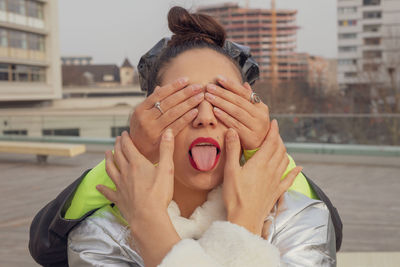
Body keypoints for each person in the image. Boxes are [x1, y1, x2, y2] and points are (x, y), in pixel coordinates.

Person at [29, 6, 340, 267]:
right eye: (183, 103)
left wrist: (154, 230)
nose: (205, 117)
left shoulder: (300, 219)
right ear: (149, 121)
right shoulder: (101, 233)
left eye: (223, 101)